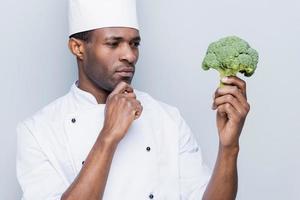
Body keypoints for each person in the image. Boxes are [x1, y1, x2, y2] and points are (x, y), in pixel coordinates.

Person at [16, 0, 250, 199]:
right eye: (113, 43)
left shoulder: (167, 119)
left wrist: (229, 147)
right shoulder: (38, 131)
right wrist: (109, 136)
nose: (129, 55)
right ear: (77, 48)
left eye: (134, 43)